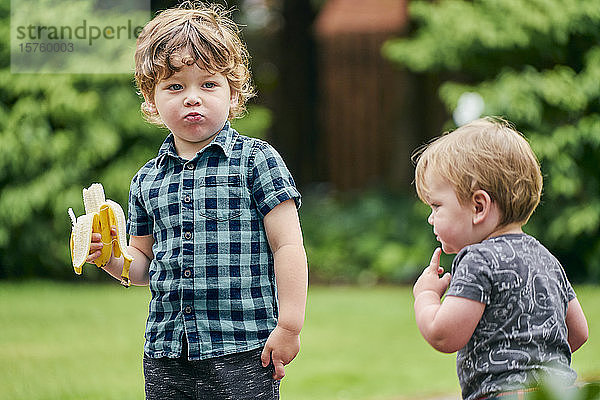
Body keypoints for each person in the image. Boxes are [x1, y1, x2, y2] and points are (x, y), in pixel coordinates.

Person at [86, 2, 308, 399]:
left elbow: (288, 245)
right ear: (151, 100)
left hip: (244, 349)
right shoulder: (147, 180)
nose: (193, 98)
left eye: (208, 84)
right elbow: (141, 265)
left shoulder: (256, 162)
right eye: (175, 86)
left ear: (232, 92)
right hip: (166, 354)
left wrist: (289, 326)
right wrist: (109, 257)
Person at [411, 117, 588, 400]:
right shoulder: (545, 257)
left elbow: (443, 335)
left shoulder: (477, 260)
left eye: (436, 205)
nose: (431, 218)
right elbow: (578, 332)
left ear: (478, 206)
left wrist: (426, 296)